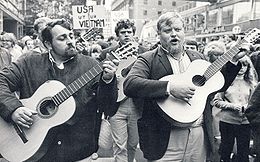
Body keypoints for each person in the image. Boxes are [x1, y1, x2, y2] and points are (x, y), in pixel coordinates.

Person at [123, 12, 246, 162]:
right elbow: (130, 84)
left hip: (198, 135)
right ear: (159, 34)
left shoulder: (198, 57)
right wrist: (170, 87)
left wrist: (232, 61)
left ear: (183, 32)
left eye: (178, 29)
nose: (174, 34)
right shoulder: (148, 59)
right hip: (165, 138)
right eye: (168, 31)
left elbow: (215, 86)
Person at [0, 19, 118, 162]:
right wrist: (13, 109)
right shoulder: (28, 63)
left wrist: (108, 81)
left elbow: (108, 107)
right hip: (37, 152)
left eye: (71, 36)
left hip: (79, 151)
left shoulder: (91, 65)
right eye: (62, 38)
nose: (70, 41)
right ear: (48, 44)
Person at [108, 19, 143, 162]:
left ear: (134, 34)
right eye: (123, 32)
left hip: (136, 104)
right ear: (117, 35)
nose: (127, 35)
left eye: (129, 32)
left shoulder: (145, 53)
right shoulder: (109, 53)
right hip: (117, 104)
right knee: (119, 145)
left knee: (133, 143)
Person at [212, 55, 258, 162]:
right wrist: (233, 106)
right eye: (239, 65)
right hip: (227, 121)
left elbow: (254, 103)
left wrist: (248, 106)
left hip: (245, 122)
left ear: (248, 67)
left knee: (243, 153)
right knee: (225, 151)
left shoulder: (251, 83)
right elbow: (216, 101)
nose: (242, 68)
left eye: (245, 66)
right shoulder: (226, 82)